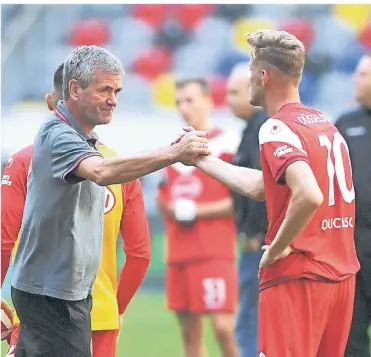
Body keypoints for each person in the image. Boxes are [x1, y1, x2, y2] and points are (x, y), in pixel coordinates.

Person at [8, 45, 209, 357]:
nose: (113, 100)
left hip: (68, 295)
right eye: (104, 90)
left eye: (117, 90)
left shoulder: (81, 141)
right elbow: (100, 171)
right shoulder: (59, 136)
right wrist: (174, 154)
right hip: (52, 298)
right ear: (74, 89)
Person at [181, 30, 360, 357]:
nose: (249, 81)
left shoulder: (277, 127)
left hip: (299, 274)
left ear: (263, 76)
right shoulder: (324, 124)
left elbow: (308, 195)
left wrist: (277, 247)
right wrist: (203, 161)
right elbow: (262, 187)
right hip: (340, 276)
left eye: (250, 72)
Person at [1, 63, 151, 357]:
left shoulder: (23, 162)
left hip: (40, 310)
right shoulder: (125, 169)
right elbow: (140, 254)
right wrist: (115, 308)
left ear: (50, 102)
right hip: (100, 311)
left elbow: (4, 240)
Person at [156, 78, 239, 357]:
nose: (183, 107)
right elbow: (163, 196)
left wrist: (196, 211)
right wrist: (169, 206)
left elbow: (241, 199)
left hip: (214, 250)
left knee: (223, 329)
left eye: (190, 100)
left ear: (208, 101)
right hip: (179, 252)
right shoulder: (172, 149)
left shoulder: (229, 144)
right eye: (178, 102)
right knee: (190, 335)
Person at [226, 62, 268, 357]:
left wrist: (255, 230)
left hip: (259, 243)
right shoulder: (250, 129)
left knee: (248, 323)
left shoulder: (261, 129)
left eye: (235, 91)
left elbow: (261, 186)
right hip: (257, 240)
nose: (229, 99)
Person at [335, 54, 371, 357]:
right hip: (354, 242)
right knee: (351, 331)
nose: (354, 80)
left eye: (361, 74)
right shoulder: (346, 124)